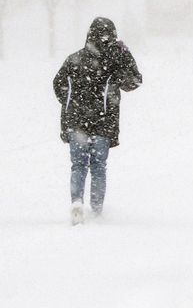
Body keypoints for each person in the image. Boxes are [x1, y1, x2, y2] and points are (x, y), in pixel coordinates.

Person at [53, 17, 143, 225]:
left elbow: (58, 84)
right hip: (104, 121)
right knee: (98, 166)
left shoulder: (74, 58)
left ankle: (77, 201)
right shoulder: (115, 60)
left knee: (78, 165)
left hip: (76, 121)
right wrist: (124, 58)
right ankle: (96, 209)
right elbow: (135, 81)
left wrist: (71, 103)